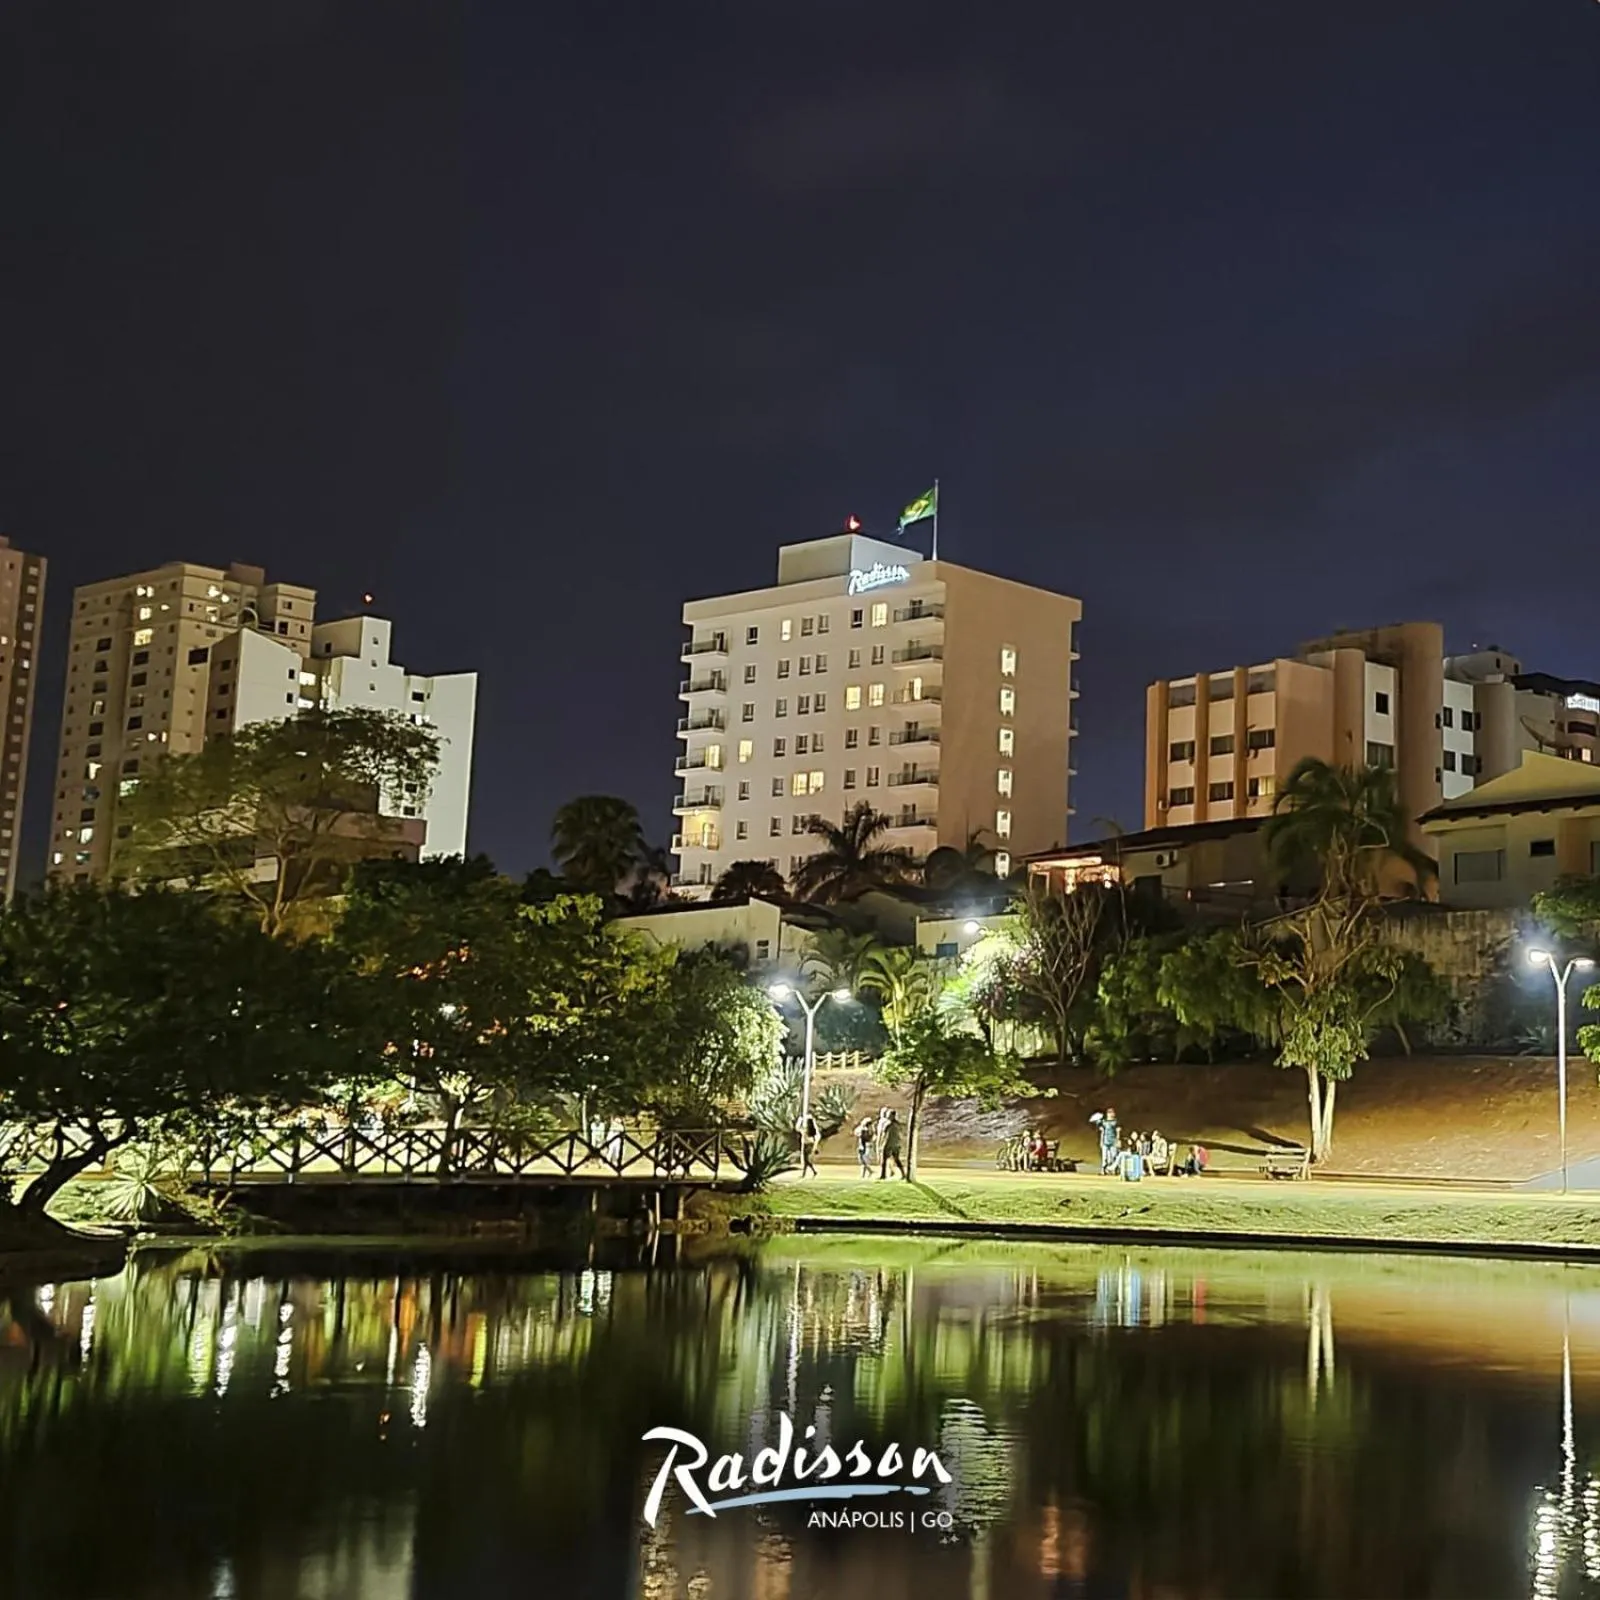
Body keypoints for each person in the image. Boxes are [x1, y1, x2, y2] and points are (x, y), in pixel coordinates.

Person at [879, 1108, 906, 1180]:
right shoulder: (898, 1124)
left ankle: (883, 1175)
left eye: (889, 1114)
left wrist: (881, 1143)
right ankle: (903, 1174)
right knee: (896, 1159)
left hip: (888, 1143)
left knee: (884, 1159)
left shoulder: (888, 1124)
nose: (888, 1116)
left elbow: (884, 1133)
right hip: (896, 1144)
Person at [795, 1109, 820, 1178]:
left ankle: (810, 1172)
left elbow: (797, 1128)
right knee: (806, 1160)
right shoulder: (811, 1131)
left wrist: (800, 1119)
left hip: (807, 1145)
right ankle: (809, 1173)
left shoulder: (805, 1130)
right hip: (809, 1144)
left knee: (806, 1160)